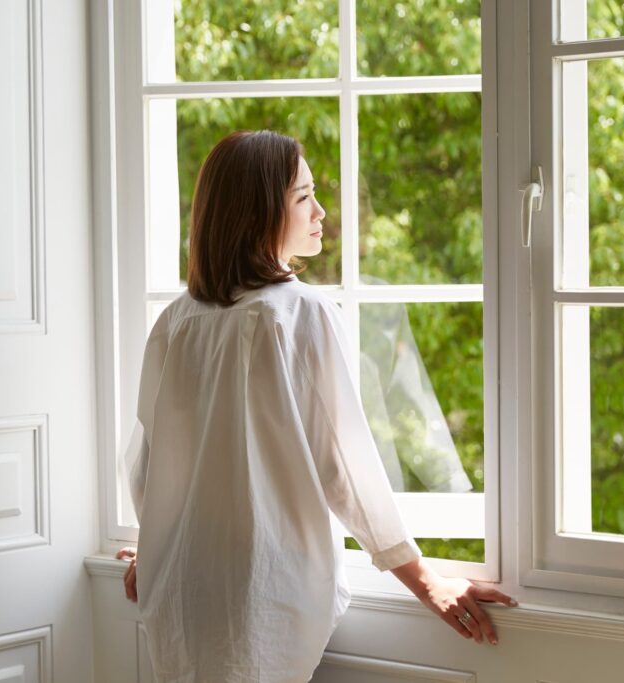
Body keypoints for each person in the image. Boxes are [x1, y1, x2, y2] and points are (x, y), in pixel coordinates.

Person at [115, 130, 517, 682]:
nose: (321, 210)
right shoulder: (297, 312)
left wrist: (153, 544)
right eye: (303, 197)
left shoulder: (178, 319)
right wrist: (423, 579)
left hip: (182, 588)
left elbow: (145, 461)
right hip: (259, 590)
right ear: (257, 213)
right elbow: (344, 463)